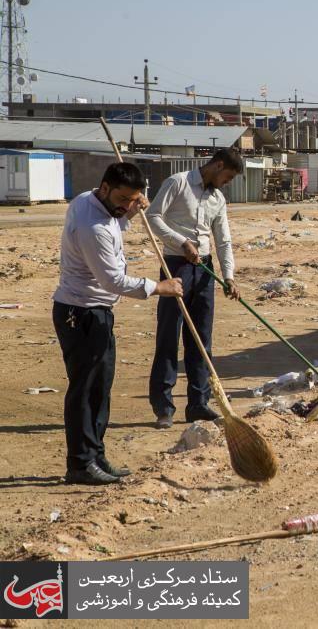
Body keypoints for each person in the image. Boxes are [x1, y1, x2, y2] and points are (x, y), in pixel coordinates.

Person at [52, 163, 184, 485]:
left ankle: (95, 455)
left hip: (96, 312)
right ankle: (80, 464)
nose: (126, 205)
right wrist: (159, 287)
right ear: (105, 187)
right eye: (123, 198)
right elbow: (113, 280)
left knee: (100, 388)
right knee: (84, 390)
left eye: (134, 199)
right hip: (81, 312)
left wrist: (131, 214)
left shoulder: (94, 202)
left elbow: (116, 226)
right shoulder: (91, 224)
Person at [146, 148, 242, 429]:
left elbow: (223, 240)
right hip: (175, 266)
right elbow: (153, 217)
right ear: (218, 165)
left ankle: (198, 404)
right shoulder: (178, 183)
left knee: (201, 339)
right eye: (228, 176)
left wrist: (229, 276)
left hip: (205, 270)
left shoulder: (218, 198)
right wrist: (180, 242)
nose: (227, 182)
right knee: (168, 335)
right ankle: (163, 407)